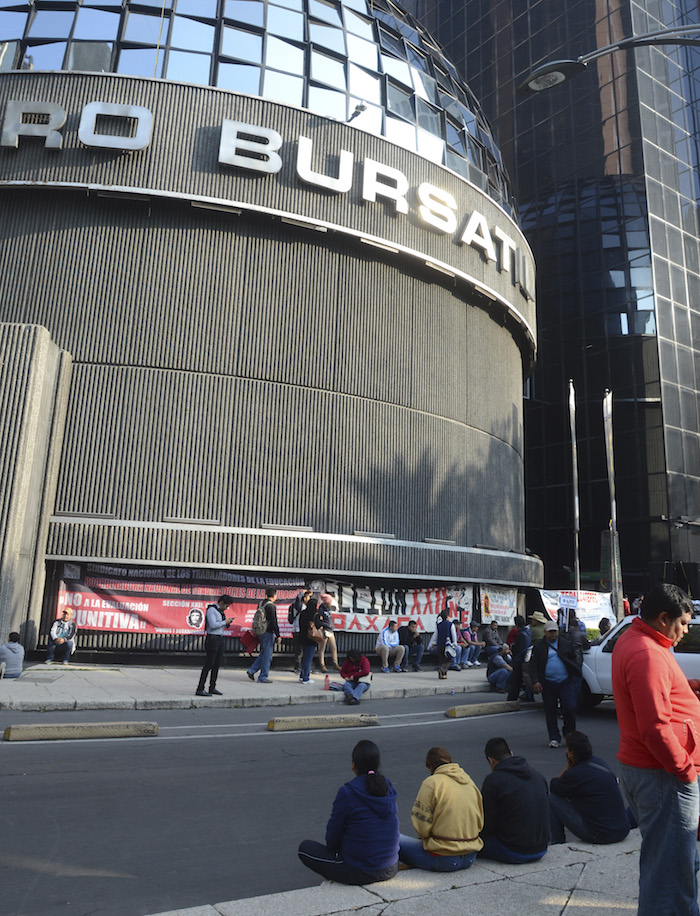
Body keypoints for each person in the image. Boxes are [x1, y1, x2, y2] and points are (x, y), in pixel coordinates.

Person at [612, 583, 700, 916]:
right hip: (663, 776)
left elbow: (654, 697)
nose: (685, 631)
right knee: (669, 877)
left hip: (655, 774)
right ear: (664, 618)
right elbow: (654, 728)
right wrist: (685, 771)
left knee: (674, 863)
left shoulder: (640, 641)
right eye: (683, 624)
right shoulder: (647, 653)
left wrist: (687, 690)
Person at [298, 739, 399, 884]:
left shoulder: (348, 792)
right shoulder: (387, 786)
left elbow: (333, 835)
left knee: (304, 849)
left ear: (353, 764)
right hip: (391, 867)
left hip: (360, 872)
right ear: (377, 764)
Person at [399, 746, 483, 870]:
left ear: (430, 767)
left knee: (392, 838)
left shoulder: (432, 783)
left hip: (443, 858)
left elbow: (422, 828)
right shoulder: (469, 782)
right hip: (470, 856)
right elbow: (480, 823)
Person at [549, 731, 629, 845]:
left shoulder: (574, 774)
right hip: (622, 830)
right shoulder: (600, 763)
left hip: (600, 835)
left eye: (567, 749)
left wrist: (568, 766)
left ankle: (557, 842)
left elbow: (554, 786)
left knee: (552, 800)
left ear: (571, 753)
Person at [479, 736, 549, 863]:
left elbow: (487, 825)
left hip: (514, 850)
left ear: (491, 760)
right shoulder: (537, 775)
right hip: (541, 847)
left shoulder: (494, 780)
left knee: (470, 844)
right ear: (511, 753)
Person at [529, 619, 580, 748]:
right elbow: (533, 665)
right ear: (545, 632)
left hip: (565, 681)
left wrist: (575, 672)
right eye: (550, 632)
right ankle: (554, 737)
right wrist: (535, 681)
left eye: (555, 632)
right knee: (550, 710)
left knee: (569, 707)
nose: (553, 634)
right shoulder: (539, 646)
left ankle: (569, 733)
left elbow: (574, 659)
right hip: (548, 683)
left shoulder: (565, 643)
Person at [196, 595, 234, 696]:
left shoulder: (220, 611)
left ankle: (212, 687)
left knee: (217, 664)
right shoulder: (212, 610)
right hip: (212, 638)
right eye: (226, 605)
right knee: (209, 664)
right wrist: (224, 622)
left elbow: (220, 624)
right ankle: (200, 688)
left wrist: (227, 623)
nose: (226, 608)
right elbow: (212, 625)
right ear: (221, 602)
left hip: (220, 638)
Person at [246, 586, 280, 684]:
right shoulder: (271, 606)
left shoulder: (261, 603)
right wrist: (278, 635)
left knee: (265, 653)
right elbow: (273, 622)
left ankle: (252, 670)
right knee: (267, 655)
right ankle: (263, 677)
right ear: (274, 595)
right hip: (267, 632)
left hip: (260, 631)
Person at [506, 615, 532, 701]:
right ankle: (529, 696)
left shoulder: (521, 634)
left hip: (519, 659)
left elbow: (517, 648)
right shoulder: (528, 632)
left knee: (516, 681)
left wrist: (512, 647)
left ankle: (512, 698)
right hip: (525, 658)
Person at [314, 593, 341, 673]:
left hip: (330, 630)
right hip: (324, 630)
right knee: (322, 649)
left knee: (334, 648)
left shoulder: (328, 609)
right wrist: (325, 625)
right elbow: (319, 620)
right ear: (326, 602)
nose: (330, 603)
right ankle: (322, 665)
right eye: (329, 602)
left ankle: (335, 663)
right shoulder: (321, 609)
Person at [288, 588, 311, 671]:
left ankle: (301, 666)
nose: (309, 599)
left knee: (302, 649)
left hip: (300, 630)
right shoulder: (299, 606)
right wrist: (302, 592)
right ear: (304, 598)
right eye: (308, 597)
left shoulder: (305, 607)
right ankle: (297, 666)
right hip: (297, 630)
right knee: (299, 650)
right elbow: (298, 598)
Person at [430, 608, 457, 679]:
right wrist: (455, 643)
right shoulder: (451, 624)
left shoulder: (439, 625)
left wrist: (433, 643)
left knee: (441, 660)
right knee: (448, 659)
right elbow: (453, 635)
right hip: (447, 645)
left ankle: (442, 675)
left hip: (439, 644)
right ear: (448, 616)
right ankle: (442, 670)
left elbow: (435, 635)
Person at [298, 597, 319, 685]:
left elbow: (300, 624)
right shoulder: (315, 614)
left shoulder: (303, 613)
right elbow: (318, 625)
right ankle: (306, 677)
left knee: (304, 657)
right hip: (311, 639)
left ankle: (302, 675)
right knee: (308, 658)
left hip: (302, 637)